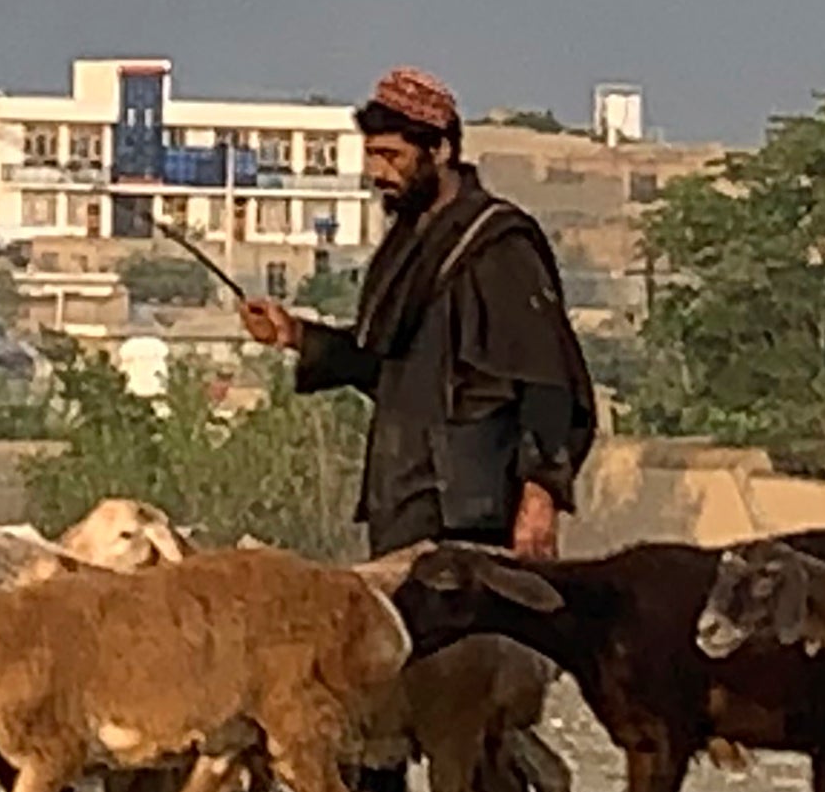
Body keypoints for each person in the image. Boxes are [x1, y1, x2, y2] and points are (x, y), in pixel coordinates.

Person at [240, 68, 598, 557]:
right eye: (371, 155)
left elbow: (549, 385)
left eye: (392, 156)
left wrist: (540, 497)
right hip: (405, 500)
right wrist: (296, 334)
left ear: (441, 151)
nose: (377, 172)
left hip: (474, 509)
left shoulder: (497, 246)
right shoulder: (409, 242)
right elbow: (389, 366)